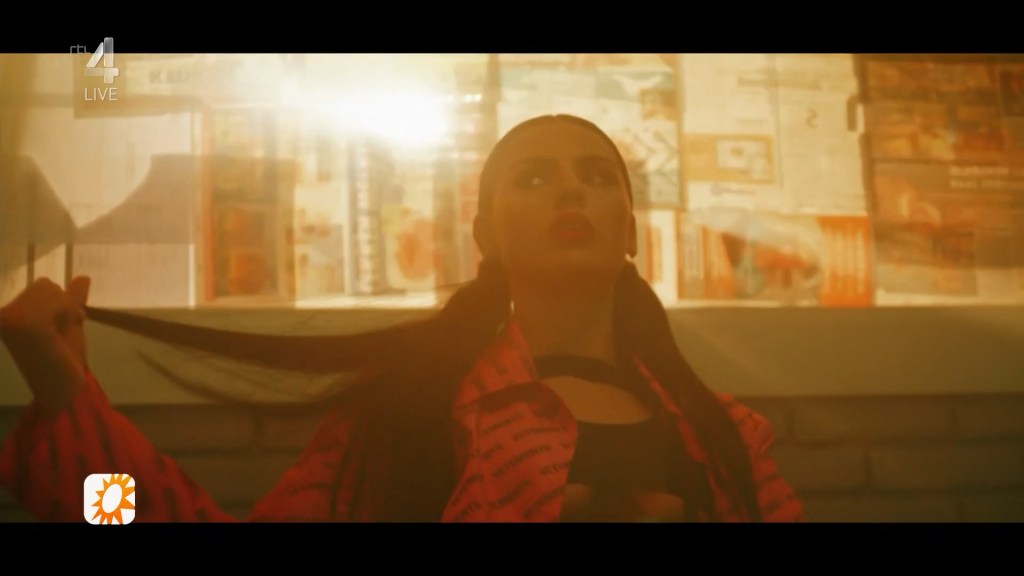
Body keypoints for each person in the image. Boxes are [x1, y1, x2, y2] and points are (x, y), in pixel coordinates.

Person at [0, 114, 804, 522]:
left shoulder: (725, 437)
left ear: (629, 229)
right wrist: (73, 411)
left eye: (596, 176)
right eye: (532, 178)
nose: (570, 190)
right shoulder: (407, 417)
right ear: (486, 235)